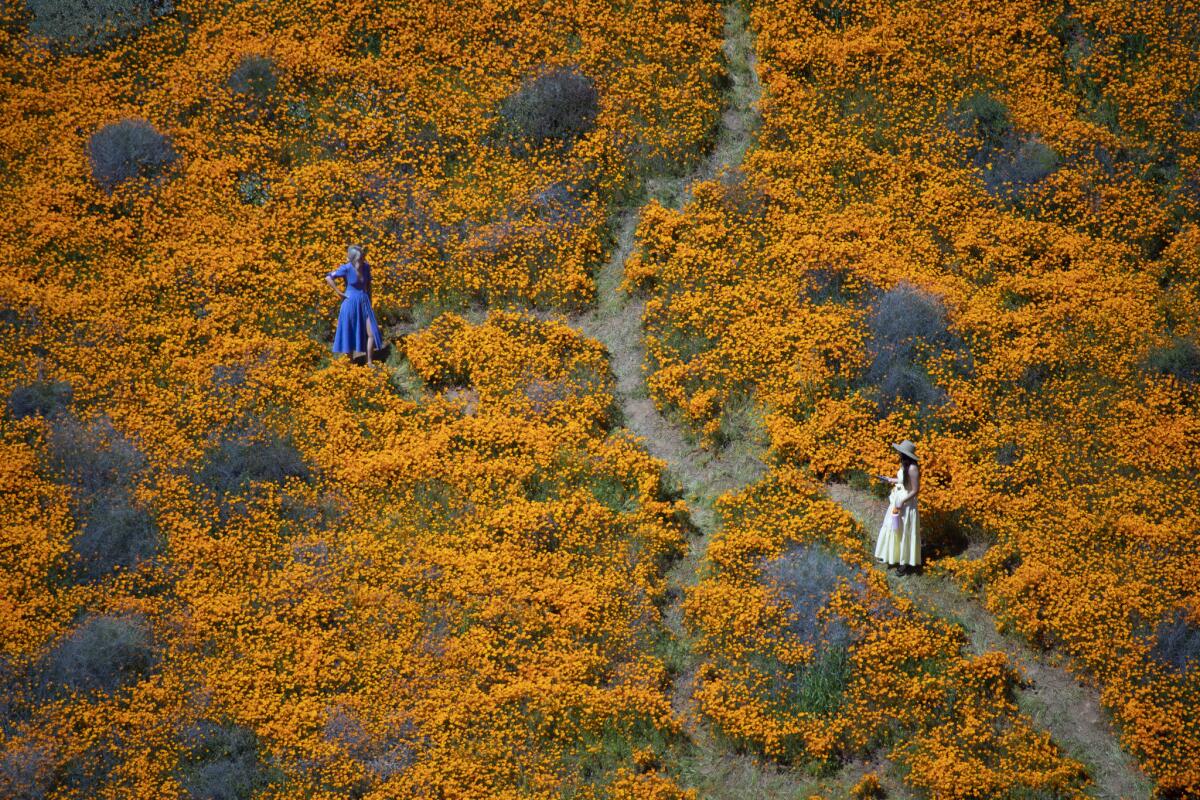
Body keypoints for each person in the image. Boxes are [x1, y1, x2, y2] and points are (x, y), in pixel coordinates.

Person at [326, 245, 383, 365]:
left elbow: (369, 285)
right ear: (352, 259)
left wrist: (370, 301)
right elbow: (328, 277)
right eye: (360, 259)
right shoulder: (346, 268)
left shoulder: (366, 267)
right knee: (349, 332)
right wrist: (339, 292)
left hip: (365, 302)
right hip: (350, 304)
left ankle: (369, 362)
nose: (362, 260)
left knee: (371, 332)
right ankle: (351, 363)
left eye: (363, 257)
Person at [873, 439, 921, 573]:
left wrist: (903, 501)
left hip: (906, 503)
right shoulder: (904, 465)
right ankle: (889, 555)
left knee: (904, 531)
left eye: (900, 452)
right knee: (893, 527)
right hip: (897, 500)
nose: (898, 454)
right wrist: (890, 479)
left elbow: (915, 490)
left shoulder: (913, 468)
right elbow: (903, 480)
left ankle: (904, 563)